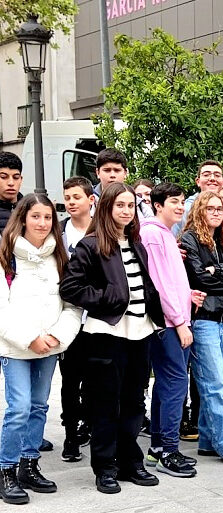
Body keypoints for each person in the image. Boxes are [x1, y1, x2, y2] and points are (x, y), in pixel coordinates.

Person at [60, 183, 164, 494]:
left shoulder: (137, 243)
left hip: (140, 332)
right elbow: (70, 288)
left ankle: (130, 462)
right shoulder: (89, 245)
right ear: (105, 207)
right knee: (106, 404)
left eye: (130, 206)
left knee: (134, 401)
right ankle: (105, 467)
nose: (125, 211)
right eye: (119, 205)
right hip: (106, 334)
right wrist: (107, 296)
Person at [0, 194, 81, 505]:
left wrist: (58, 336)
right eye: (36, 216)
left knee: (38, 407)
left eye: (48, 217)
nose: (42, 223)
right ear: (22, 218)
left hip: (50, 346)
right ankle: (6, 468)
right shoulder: (6, 255)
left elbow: (72, 306)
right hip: (16, 346)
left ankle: (28, 465)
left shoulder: (60, 257)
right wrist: (30, 337)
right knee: (19, 408)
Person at [179, 192, 223, 467]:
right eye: (210, 208)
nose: (217, 212)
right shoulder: (190, 239)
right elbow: (198, 278)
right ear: (199, 210)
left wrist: (214, 272)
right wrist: (222, 276)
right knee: (215, 384)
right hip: (204, 319)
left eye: (220, 208)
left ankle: (208, 440)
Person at [140, 183, 201, 478]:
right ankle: (168, 450)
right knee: (175, 385)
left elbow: (173, 281)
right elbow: (158, 283)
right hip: (167, 325)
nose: (179, 207)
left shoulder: (166, 233)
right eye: (173, 202)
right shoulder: (152, 234)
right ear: (157, 205)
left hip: (175, 318)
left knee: (168, 384)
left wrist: (189, 297)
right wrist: (179, 321)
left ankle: (157, 450)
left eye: (181, 202)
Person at [58, 177, 95, 463]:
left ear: (90, 199)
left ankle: (93, 427)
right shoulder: (58, 232)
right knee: (70, 381)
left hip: (97, 316)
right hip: (67, 316)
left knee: (96, 380)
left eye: (76, 197)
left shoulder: (101, 229)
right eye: (67, 197)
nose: (71, 202)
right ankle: (71, 436)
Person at [91, 149, 153, 221]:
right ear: (98, 172)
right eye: (107, 170)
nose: (112, 175)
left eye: (117, 170)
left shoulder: (140, 206)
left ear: (125, 173)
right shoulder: (87, 201)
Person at [173, 160, 223, 235]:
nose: (212, 178)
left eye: (217, 175)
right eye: (206, 175)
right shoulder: (186, 208)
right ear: (198, 181)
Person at [0, 151, 24, 234]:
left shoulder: (30, 209)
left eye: (16, 177)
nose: (11, 183)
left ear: (21, 179)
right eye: (4, 177)